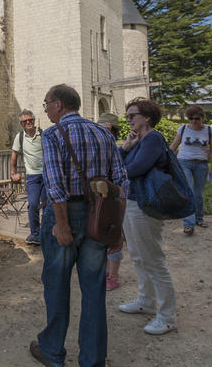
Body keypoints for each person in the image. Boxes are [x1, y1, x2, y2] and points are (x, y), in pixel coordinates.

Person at [29, 85, 128, 367]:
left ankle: (51, 351)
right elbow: (121, 183)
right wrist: (117, 227)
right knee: (94, 289)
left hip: (65, 213)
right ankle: (92, 360)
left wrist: (61, 225)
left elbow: (55, 185)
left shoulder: (52, 134)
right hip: (99, 215)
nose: (45, 108)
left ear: (59, 105)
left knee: (57, 286)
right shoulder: (103, 133)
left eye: (47, 103)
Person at [118, 98, 178, 335]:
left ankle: (167, 316)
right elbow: (119, 162)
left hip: (145, 205)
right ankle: (146, 301)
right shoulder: (139, 141)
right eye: (128, 116)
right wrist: (126, 147)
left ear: (147, 118)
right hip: (133, 202)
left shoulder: (153, 139)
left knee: (153, 259)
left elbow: (133, 170)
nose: (129, 119)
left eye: (132, 115)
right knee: (138, 255)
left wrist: (117, 168)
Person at [169, 104, 212, 235]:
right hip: (184, 162)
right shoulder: (183, 128)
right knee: (188, 191)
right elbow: (174, 145)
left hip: (201, 164)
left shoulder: (210, 130)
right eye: (190, 118)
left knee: (199, 193)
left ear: (202, 117)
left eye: (197, 118)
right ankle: (188, 224)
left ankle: (199, 218)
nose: (194, 121)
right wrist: (164, 158)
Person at [97, 113, 124, 291]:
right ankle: (107, 273)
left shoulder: (115, 148)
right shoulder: (104, 146)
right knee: (102, 235)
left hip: (112, 198)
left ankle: (113, 276)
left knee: (114, 234)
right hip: (101, 197)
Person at [10, 109, 46, 245]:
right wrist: (13, 173)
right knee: (33, 205)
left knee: (47, 205)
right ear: (21, 123)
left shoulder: (43, 134)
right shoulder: (19, 137)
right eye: (25, 121)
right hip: (32, 176)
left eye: (30, 120)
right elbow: (14, 156)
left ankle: (46, 233)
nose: (28, 122)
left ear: (34, 120)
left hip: (46, 175)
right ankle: (35, 234)